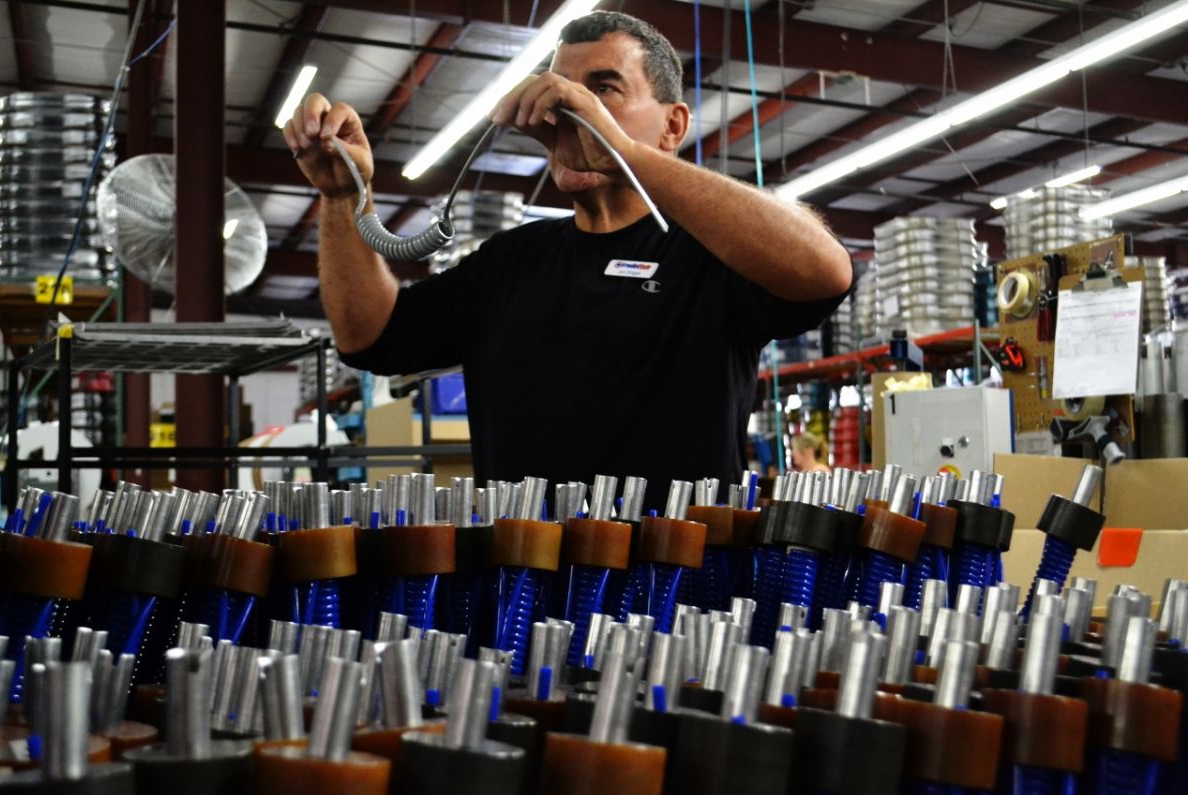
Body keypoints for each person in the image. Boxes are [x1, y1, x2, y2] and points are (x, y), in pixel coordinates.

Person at [282, 11, 852, 511]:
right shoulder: (509, 262)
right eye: (564, 90)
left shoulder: (711, 254)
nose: (570, 110)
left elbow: (824, 272)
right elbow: (371, 338)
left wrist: (622, 152)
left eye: (604, 89)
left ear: (672, 126)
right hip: (526, 588)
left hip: (679, 597)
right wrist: (342, 198)